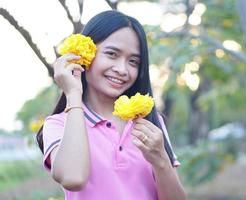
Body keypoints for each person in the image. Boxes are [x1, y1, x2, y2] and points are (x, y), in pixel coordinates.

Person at [36, 10, 186, 200]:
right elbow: (73, 178)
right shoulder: (58, 124)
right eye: (112, 54)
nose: (122, 69)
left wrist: (162, 160)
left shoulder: (151, 124)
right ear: (85, 55)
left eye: (133, 61)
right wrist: (73, 93)